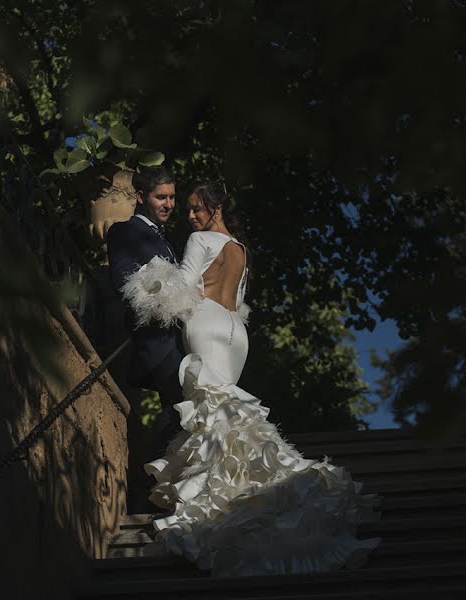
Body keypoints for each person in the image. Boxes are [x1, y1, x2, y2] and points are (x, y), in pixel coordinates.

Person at [121, 181, 380, 576]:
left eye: (197, 208)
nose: (190, 216)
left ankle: (218, 508)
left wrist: (148, 286)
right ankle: (252, 490)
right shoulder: (241, 249)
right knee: (229, 414)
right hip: (236, 333)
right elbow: (240, 302)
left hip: (206, 320)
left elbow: (184, 287)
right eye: (187, 209)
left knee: (211, 415)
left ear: (216, 207)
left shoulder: (199, 240)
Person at [106, 166, 185, 432]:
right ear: (141, 197)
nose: (169, 204)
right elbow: (123, 281)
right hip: (155, 340)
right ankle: (154, 472)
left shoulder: (167, 240)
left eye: (172, 197)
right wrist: (166, 296)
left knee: (182, 411)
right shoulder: (124, 230)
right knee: (180, 411)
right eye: (161, 197)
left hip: (178, 340)